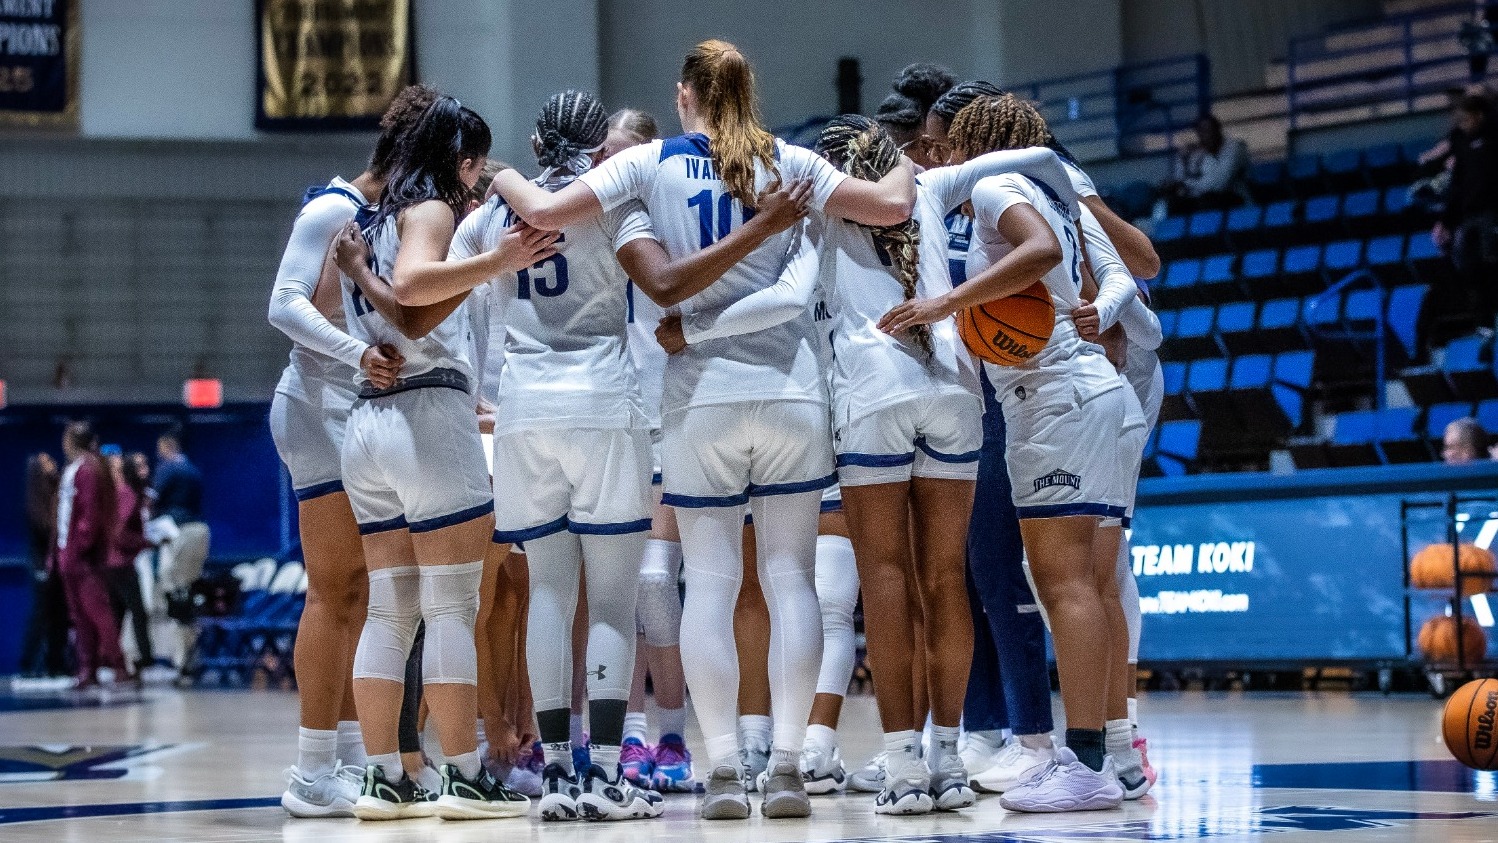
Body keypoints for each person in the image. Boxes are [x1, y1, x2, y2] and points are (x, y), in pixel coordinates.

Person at [490, 38, 917, 821]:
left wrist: (495, 172)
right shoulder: (789, 162)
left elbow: (544, 211)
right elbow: (892, 207)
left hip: (697, 399)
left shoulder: (647, 163)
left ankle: (721, 768)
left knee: (709, 584)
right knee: (792, 580)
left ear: (684, 94)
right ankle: (785, 766)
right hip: (788, 391)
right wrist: (908, 160)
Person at [884, 93, 1148, 813]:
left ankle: (1087, 760)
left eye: (949, 144)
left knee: (1065, 585)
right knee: (1089, 585)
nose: (940, 157)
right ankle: (1103, 752)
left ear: (974, 139)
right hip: (1088, 392)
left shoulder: (998, 186)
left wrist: (948, 303)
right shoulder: (1044, 187)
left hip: (1056, 396)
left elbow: (1043, 253)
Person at [330, 95, 557, 821]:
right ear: (460, 160)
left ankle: (382, 777)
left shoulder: (370, 217)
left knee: (391, 612)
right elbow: (415, 287)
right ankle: (463, 773)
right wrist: (498, 258)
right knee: (453, 604)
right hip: (428, 415)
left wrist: (365, 280)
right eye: (478, 161)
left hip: (369, 423)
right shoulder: (430, 208)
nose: (481, 175)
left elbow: (399, 305)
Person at [455, 89, 666, 822]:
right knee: (609, 599)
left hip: (521, 410)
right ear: (597, 144)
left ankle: (553, 774)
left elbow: (456, 299)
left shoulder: (489, 215)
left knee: (548, 591)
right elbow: (665, 286)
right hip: (604, 402)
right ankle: (606, 773)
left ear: (538, 142)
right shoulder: (612, 201)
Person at [268, 83, 438, 820]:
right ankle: (310, 770)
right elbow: (282, 302)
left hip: (354, 414)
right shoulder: (333, 209)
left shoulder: (385, 219)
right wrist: (354, 354)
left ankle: (341, 754)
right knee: (335, 588)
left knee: (366, 595)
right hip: (315, 411)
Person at [53, 421, 126, 689]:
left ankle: (119, 666)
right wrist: (59, 551)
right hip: (67, 553)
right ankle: (87, 669)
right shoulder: (72, 470)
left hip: (81, 556)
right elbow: (62, 515)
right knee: (79, 615)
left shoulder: (88, 470)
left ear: (72, 441)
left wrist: (81, 546)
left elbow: (89, 512)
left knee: (98, 611)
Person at [1434, 93, 1498, 330]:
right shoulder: (1460, 141)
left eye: (1466, 119)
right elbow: (1457, 185)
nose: (1463, 125)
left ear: (1479, 116)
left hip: (1492, 212)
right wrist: (1445, 221)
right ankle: (1484, 325)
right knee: (1468, 268)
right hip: (1469, 215)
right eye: (1459, 121)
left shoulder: (1493, 135)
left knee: (1491, 262)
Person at [102, 444, 156, 677]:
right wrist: (145, 542)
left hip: (111, 562)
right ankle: (144, 659)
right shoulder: (125, 494)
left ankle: (113, 661)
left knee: (117, 614)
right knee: (137, 612)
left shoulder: (113, 495)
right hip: (121, 563)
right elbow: (120, 533)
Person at [21, 452, 68, 679]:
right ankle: (27, 664)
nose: (53, 464)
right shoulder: (36, 501)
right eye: (47, 462)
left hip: (58, 562)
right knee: (42, 613)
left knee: (60, 612)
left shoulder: (58, 491)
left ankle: (56, 662)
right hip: (41, 562)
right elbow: (46, 529)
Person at [1163, 114, 1247, 213]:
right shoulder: (1200, 152)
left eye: (1209, 130)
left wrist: (1186, 183)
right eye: (1202, 132)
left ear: (1218, 130)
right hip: (1203, 200)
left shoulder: (1235, 148)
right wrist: (1183, 162)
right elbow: (1181, 181)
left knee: (1208, 202)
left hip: (1236, 200)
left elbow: (1219, 185)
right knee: (1170, 204)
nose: (1207, 135)